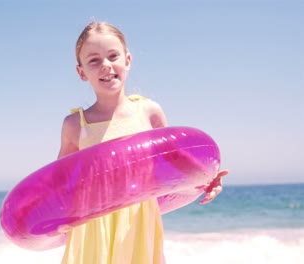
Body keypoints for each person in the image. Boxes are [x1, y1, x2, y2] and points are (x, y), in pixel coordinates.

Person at [57, 21, 229, 264]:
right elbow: (59, 184)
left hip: (138, 223)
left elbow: (175, 165)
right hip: (93, 228)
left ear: (127, 60)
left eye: (113, 56)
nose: (106, 65)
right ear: (82, 72)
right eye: (94, 60)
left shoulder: (148, 112)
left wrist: (206, 180)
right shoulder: (75, 125)